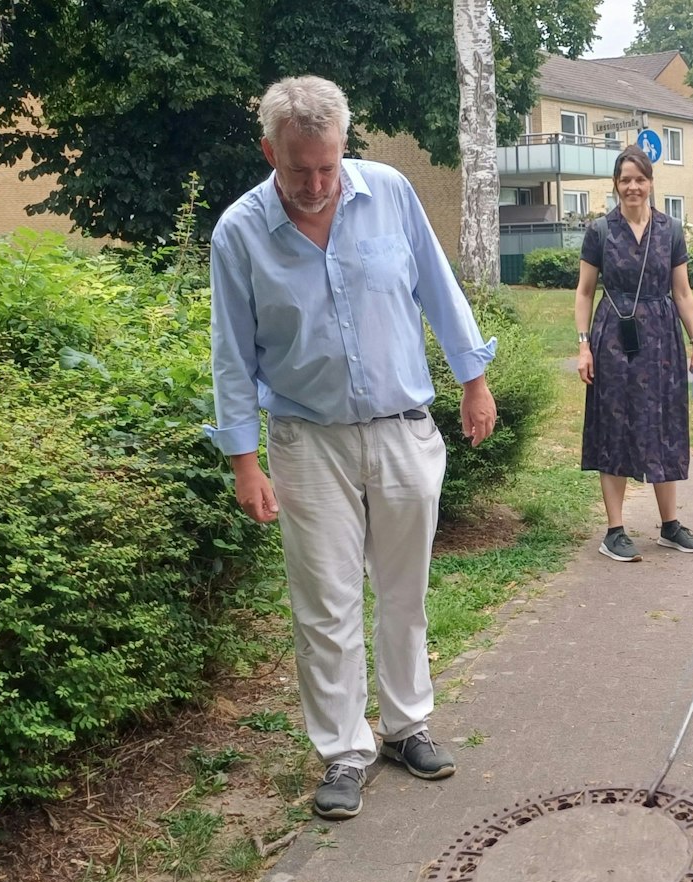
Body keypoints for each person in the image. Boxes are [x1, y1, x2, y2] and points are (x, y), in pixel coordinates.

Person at [206, 76, 498, 821]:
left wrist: (474, 378)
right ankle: (343, 750)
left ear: (345, 146)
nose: (314, 183)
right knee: (325, 601)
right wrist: (245, 460)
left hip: (402, 427)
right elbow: (232, 356)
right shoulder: (239, 233)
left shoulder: (391, 193)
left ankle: (407, 725)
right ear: (269, 149)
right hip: (308, 440)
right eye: (298, 167)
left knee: (404, 590)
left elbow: (437, 286)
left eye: (327, 166)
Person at [574, 147, 693, 562]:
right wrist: (583, 345)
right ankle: (614, 530)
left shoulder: (670, 231)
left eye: (640, 179)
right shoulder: (600, 231)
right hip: (613, 335)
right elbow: (583, 292)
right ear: (615, 185)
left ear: (651, 183)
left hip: (661, 339)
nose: (633, 187)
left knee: (662, 423)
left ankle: (669, 525)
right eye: (625, 179)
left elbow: (683, 292)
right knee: (614, 424)